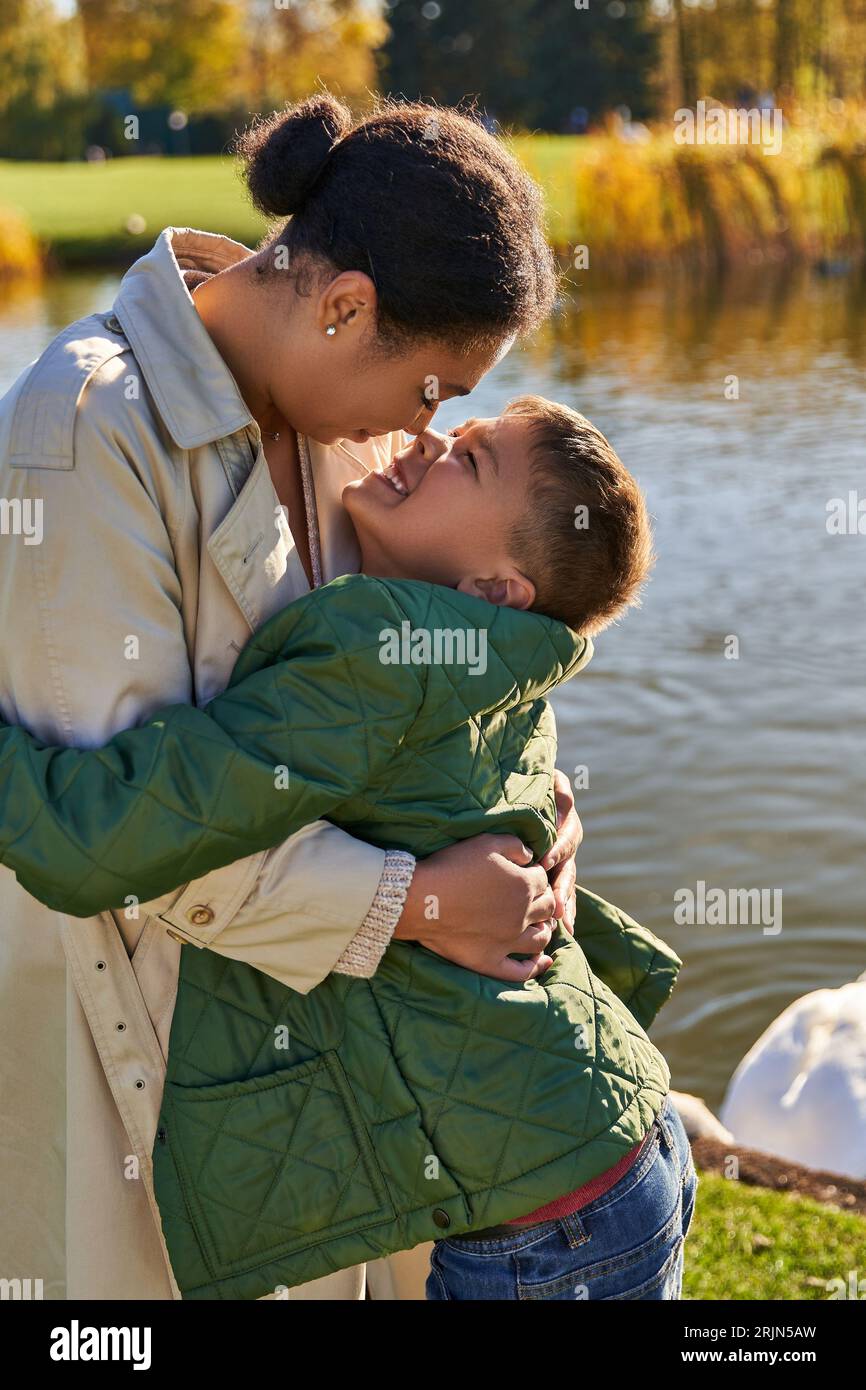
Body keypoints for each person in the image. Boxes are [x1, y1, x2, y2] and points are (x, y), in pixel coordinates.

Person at [0, 94, 582, 1301]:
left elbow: (428, 669)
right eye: (433, 388)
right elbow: (130, 840)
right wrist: (421, 904)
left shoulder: (342, 423)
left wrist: (535, 825)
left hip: (338, 1066)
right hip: (146, 1063)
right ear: (344, 307)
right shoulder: (83, 431)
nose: (432, 427)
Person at [0, 397, 695, 1299]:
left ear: (494, 587)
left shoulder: (376, 651)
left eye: (473, 459)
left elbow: (111, 833)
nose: (430, 439)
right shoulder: (496, 658)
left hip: (543, 1217)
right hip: (613, 1150)